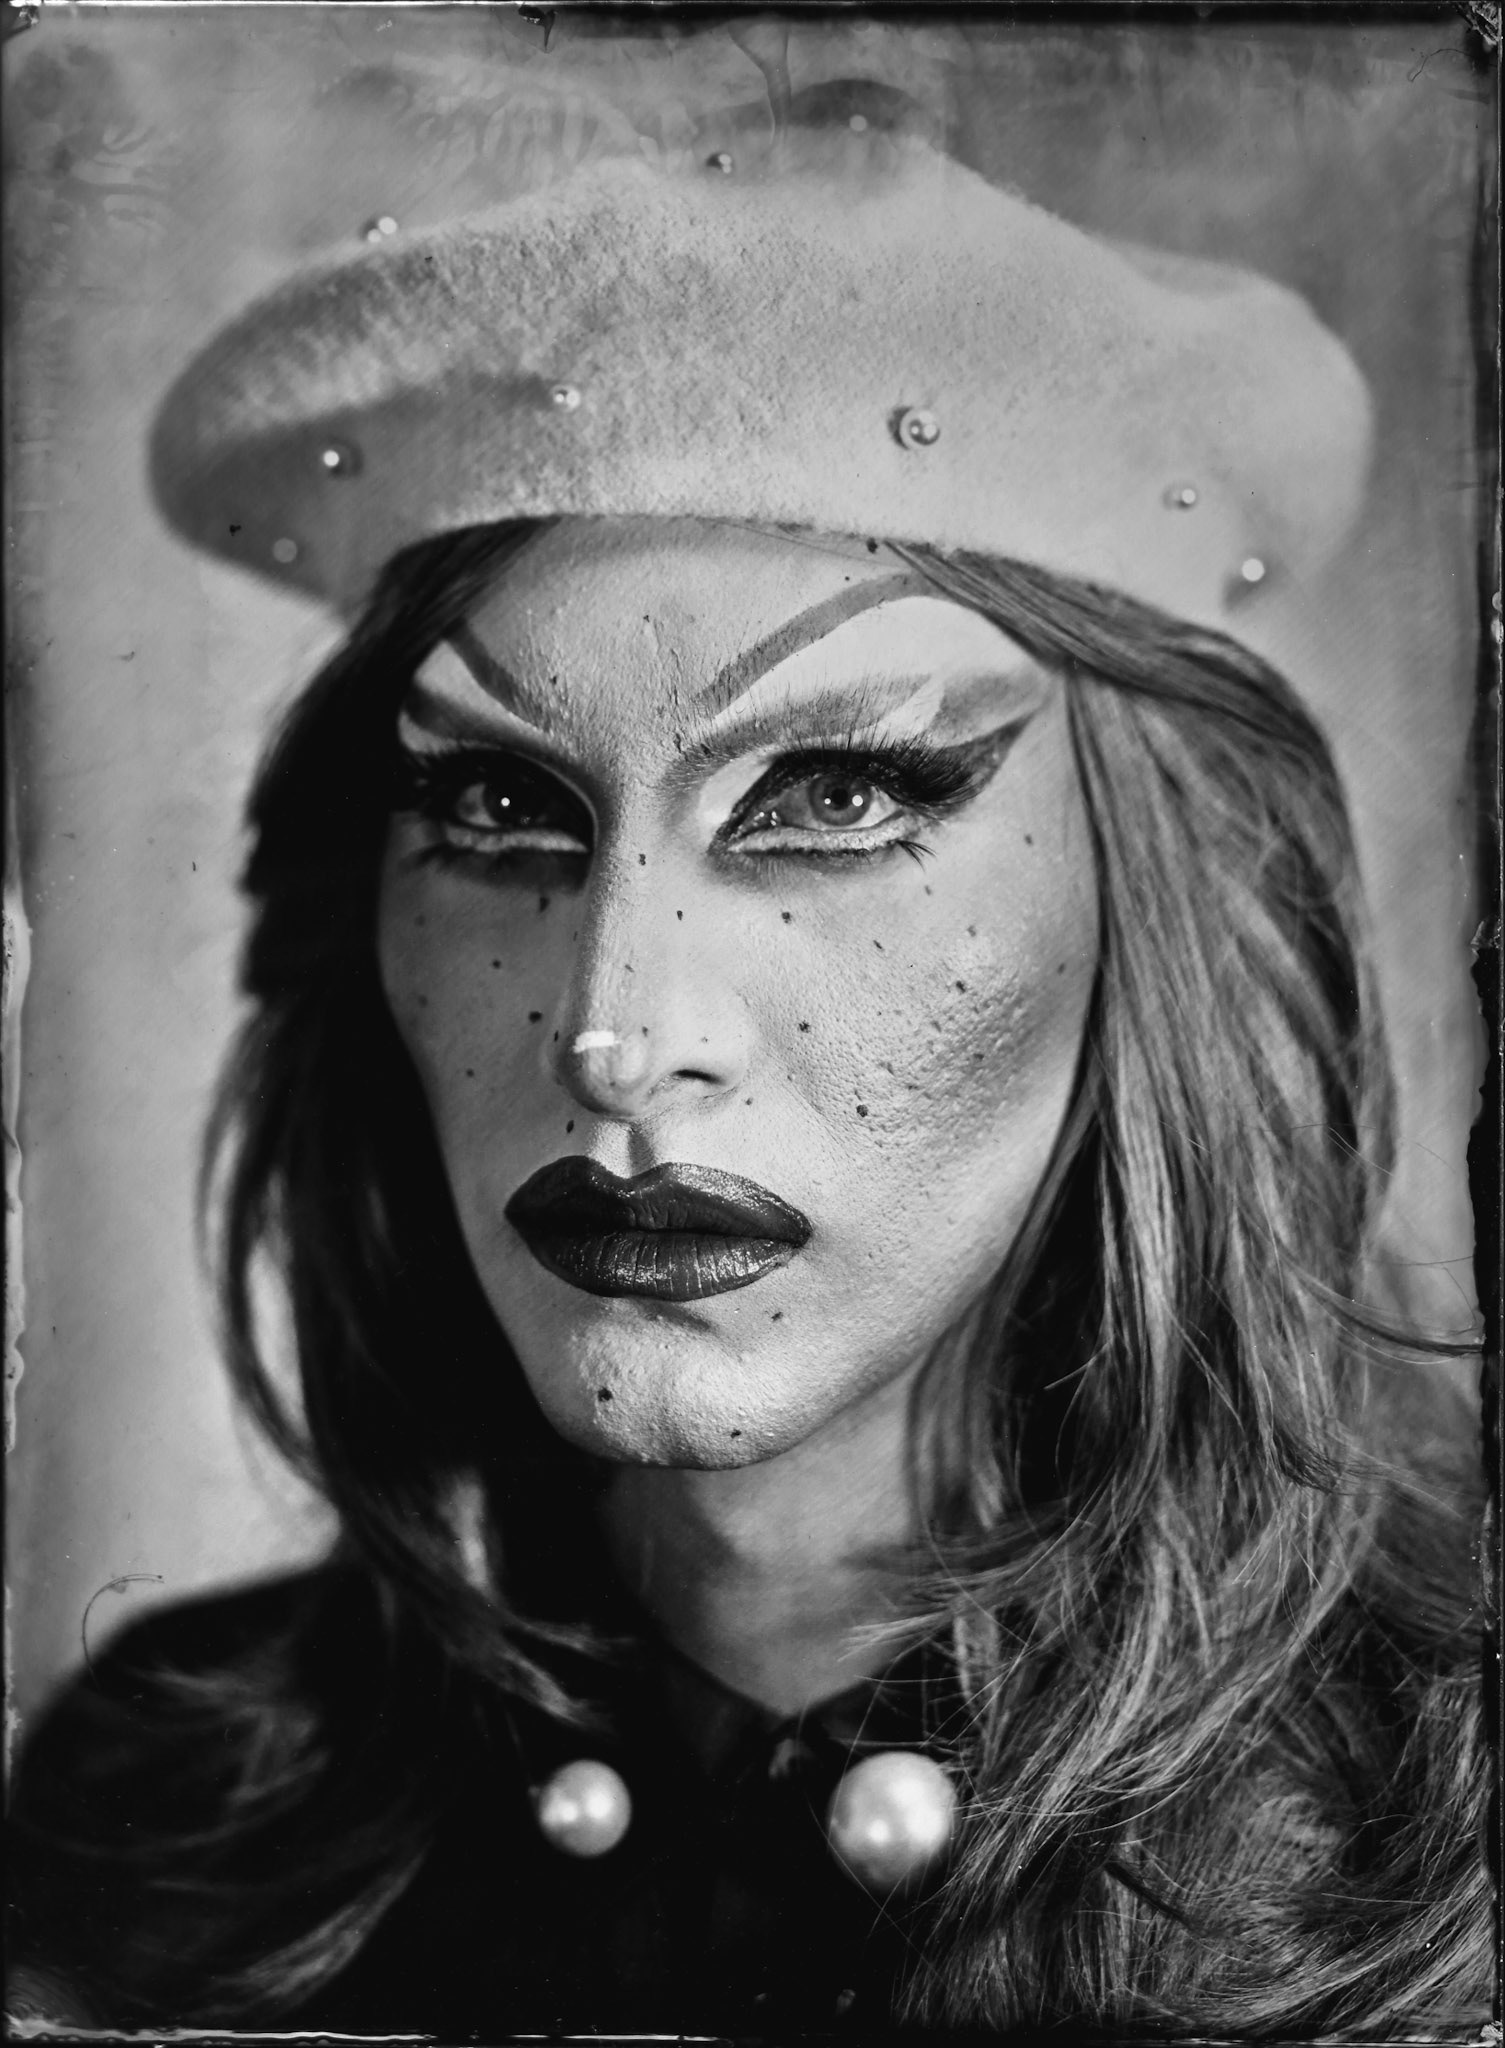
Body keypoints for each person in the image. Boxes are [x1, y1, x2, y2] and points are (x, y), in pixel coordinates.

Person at [8, 84, 1490, 2037]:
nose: (622, 1030)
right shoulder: (161, 1821)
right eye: (500, 807)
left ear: (1164, 892)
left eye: (844, 793)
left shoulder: (1439, 1852)